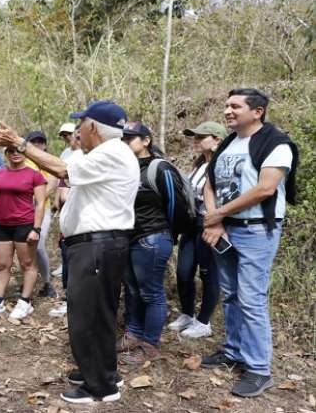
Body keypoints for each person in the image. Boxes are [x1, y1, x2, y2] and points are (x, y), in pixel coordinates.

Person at [0, 100, 138, 404]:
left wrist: (20, 144)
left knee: (87, 316)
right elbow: (64, 174)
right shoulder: (107, 153)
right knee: (98, 314)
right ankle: (102, 372)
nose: (78, 130)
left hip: (98, 245)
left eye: (81, 124)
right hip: (98, 245)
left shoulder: (112, 153)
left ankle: (100, 388)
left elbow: (63, 168)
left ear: (93, 127)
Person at [201, 89, 298, 397]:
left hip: (257, 230)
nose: (228, 111)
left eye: (235, 106)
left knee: (251, 298)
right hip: (226, 229)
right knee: (230, 294)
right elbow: (210, 182)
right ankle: (234, 352)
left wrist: (218, 215)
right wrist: (216, 221)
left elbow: (264, 190)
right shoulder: (228, 143)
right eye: (226, 106)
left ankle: (258, 369)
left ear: (257, 111)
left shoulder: (276, 143)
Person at [118, 122, 175, 364]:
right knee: (132, 290)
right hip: (129, 238)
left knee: (152, 293)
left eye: (130, 138)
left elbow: (175, 205)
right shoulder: (125, 168)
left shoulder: (159, 168)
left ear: (146, 140)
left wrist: (166, 233)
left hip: (152, 237)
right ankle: (133, 334)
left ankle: (150, 344)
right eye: (123, 138)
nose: (125, 142)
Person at [168, 121, 227, 338]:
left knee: (208, 272)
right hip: (191, 224)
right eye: (195, 137)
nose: (196, 141)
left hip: (209, 224)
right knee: (184, 272)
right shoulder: (199, 164)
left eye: (201, 137)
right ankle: (187, 313)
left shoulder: (221, 165)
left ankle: (204, 322)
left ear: (217, 140)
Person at [0, 145, 47, 320]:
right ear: (6, 154)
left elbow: (40, 203)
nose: (15, 154)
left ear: (25, 153)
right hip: (1, 225)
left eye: (19, 151)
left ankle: (25, 302)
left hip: (25, 225)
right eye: (11, 151)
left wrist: (36, 229)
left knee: (27, 265)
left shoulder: (34, 175)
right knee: (1, 265)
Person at [49, 126, 83, 317]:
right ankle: (69, 299)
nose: (71, 139)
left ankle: (75, 303)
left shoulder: (90, 158)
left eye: (75, 135)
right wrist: (57, 199)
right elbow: (62, 181)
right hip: (67, 219)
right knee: (67, 261)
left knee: (76, 264)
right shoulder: (68, 155)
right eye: (68, 136)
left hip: (82, 223)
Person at [23, 131, 59, 298]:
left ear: (45, 144)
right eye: (33, 141)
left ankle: (47, 282)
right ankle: (27, 281)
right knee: (23, 247)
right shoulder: (22, 160)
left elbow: (52, 184)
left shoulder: (49, 162)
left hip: (41, 208)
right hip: (22, 209)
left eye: (40, 141)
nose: (37, 144)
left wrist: (37, 198)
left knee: (38, 244)